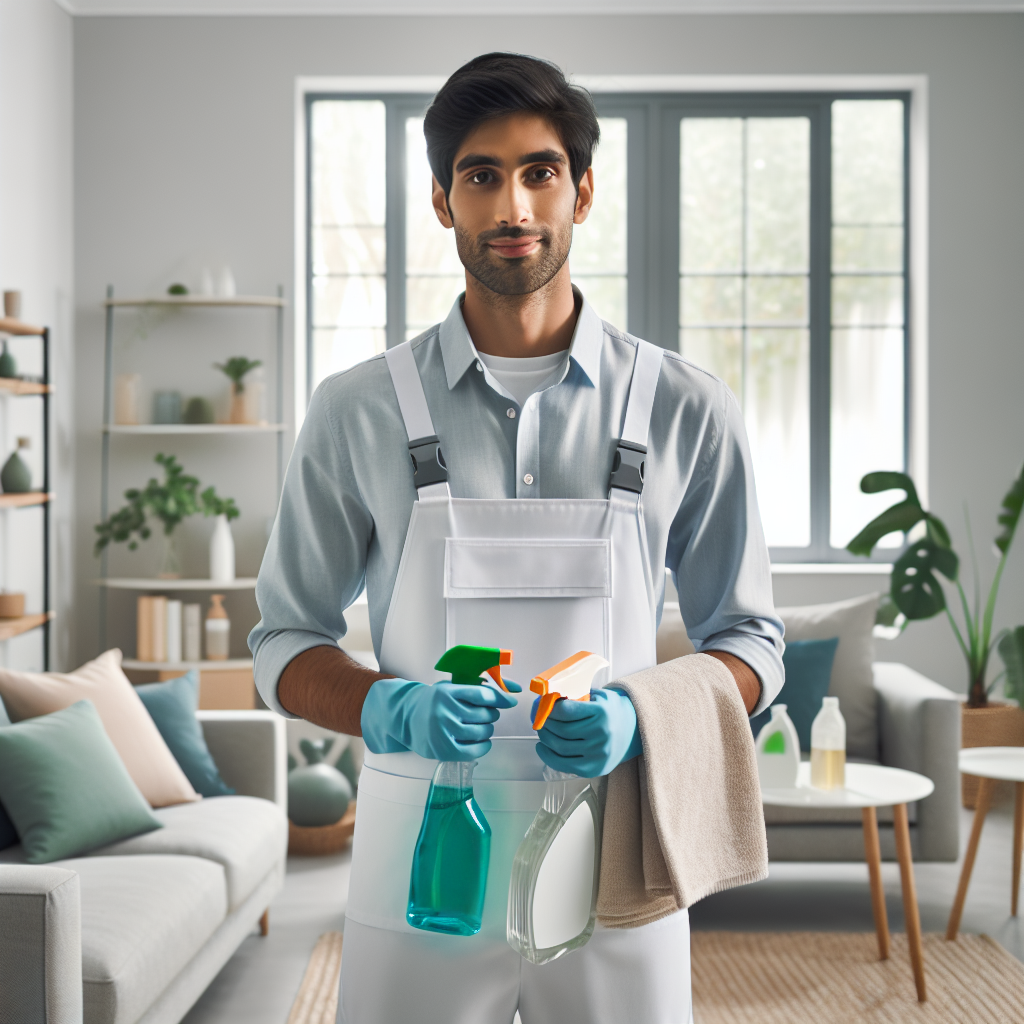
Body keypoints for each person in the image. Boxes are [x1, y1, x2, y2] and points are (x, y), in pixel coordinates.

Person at [250, 52, 784, 1024]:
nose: (513, 206)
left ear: (582, 191)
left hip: (617, 865)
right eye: (480, 174)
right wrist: (388, 708)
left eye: (539, 172)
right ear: (442, 201)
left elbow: (750, 643)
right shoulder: (358, 411)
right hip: (418, 879)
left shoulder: (685, 409)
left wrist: (640, 715)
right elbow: (282, 645)